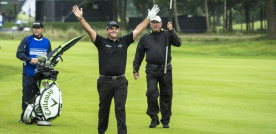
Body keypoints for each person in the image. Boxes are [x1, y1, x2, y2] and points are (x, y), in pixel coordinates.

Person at [72, 4, 160, 134]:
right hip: (104, 82)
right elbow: (89, 30)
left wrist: (148, 18)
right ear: (107, 30)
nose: (114, 30)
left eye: (116, 29)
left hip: (120, 82)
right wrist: (80, 18)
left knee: (120, 108)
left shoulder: (123, 41)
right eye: (111, 29)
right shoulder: (101, 42)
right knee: (104, 109)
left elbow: (138, 29)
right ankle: (101, 132)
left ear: (118, 31)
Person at [133, 16, 181, 128]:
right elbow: (139, 54)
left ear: (161, 23)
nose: (155, 24)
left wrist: (171, 30)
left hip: (166, 69)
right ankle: (154, 118)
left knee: (166, 95)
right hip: (151, 70)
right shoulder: (145, 37)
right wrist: (136, 69)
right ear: (150, 24)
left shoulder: (167, 34)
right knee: (151, 93)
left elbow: (178, 43)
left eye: (157, 22)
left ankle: (165, 120)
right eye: (153, 22)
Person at [16, 21, 52, 123]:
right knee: (27, 96)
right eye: (34, 27)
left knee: (39, 96)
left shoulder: (47, 42)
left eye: (38, 27)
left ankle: (36, 117)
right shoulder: (27, 40)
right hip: (29, 73)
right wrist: (30, 59)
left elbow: (49, 57)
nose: (36, 29)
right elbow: (19, 53)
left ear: (42, 29)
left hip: (41, 75)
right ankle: (24, 117)